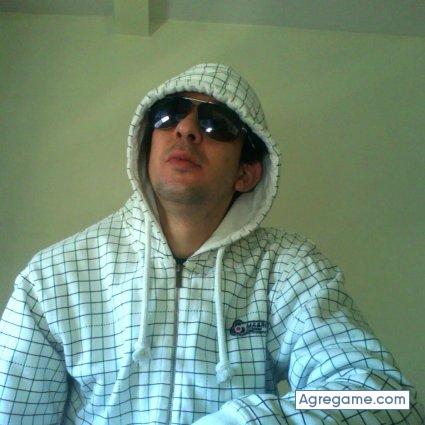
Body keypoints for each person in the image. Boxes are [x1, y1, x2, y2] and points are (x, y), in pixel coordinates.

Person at [0, 63, 423, 425]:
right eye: (169, 113)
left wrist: (246, 421)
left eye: (216, 123)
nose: (185, 129)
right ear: (145, 144)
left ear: (246, 172)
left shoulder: (290, 269)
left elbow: (384, 398)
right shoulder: (53, 277)